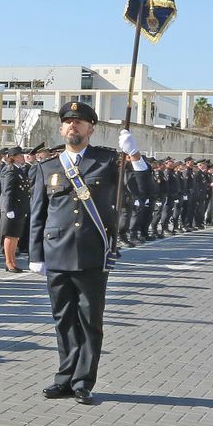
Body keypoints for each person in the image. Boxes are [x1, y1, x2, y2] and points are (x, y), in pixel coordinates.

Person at [29, 101, 148, 404]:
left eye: (80, 122)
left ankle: (83, 381)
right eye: (68, 122)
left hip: (92, 254)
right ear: (61, 128)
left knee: (90, 320)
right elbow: (38, 215)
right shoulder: (47, 167)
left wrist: (133, 155)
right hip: (56, 253)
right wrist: (35, 255)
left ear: (91, 129)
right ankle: (64, 377)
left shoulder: (107, 162)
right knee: (63, 319)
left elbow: (143, 190)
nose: (73, 126)